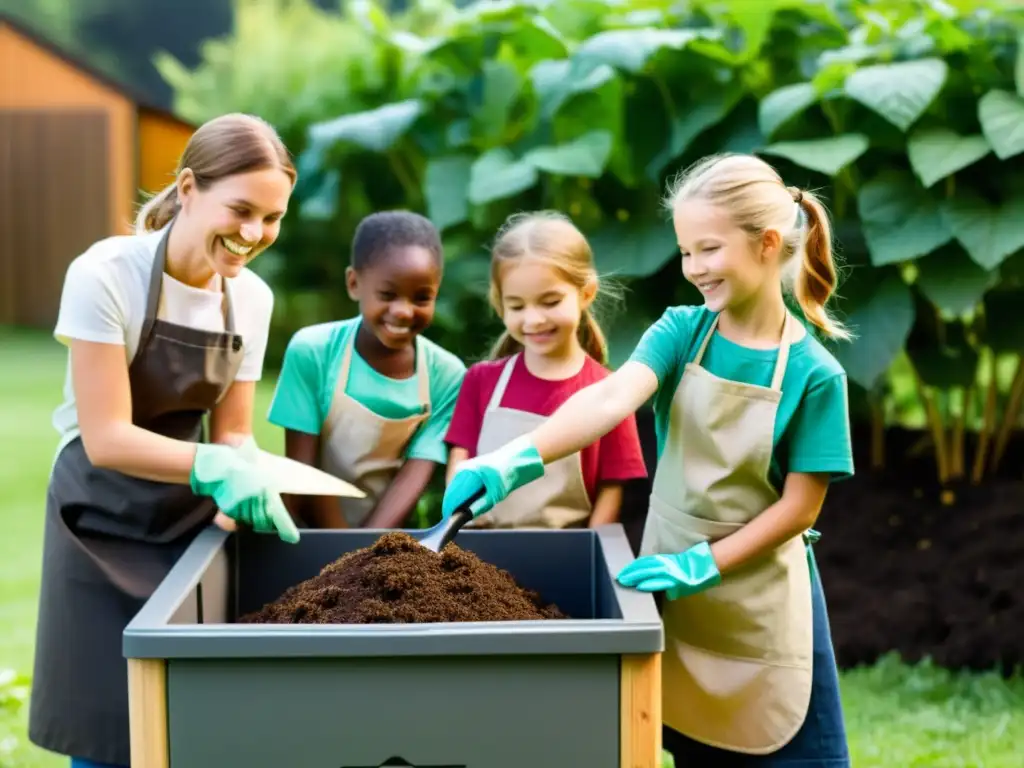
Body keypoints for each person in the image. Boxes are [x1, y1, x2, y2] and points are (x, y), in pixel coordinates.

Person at [442, 154, 855, 766]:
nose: (692, 269)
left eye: (708, 249)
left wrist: (705, 563)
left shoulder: (815, 374)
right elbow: (611, 396)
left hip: (761, 603)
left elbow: (800, 508)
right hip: (673, 588)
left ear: (768, 244)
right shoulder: (684, 330)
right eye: (686, 251)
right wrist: (514, 459)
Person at [28, 113, 302, 768]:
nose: (253, 234)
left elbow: (234, 431)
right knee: (104, 730)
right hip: (96, 517)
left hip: (186, 519)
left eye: (272, 218)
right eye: (240, 210)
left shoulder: (252, 300)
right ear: (187, 188)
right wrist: (213, 463)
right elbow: (107, 438)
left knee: (192, 722)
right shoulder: (104, 275)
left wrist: (245, 477)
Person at [443, 211, 647, 529]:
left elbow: (612, 490)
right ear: (500, 305)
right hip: (480, 554)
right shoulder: (481, 381)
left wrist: (587, 556)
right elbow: (461, 462)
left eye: (550, 302)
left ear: (586, 293)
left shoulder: (609, 392)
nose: (534, 319)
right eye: (517, 306)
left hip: (565, 557)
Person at [267, 210, 466, 529]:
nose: (403, 311)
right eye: (387, 295)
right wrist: (341, 546)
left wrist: (365, 550)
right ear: (354, 283)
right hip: (308, 530)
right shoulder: (314, 352)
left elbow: (416, 472)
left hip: (392, 539)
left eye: (421, 297)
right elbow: (303, 473)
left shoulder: (446, 374)